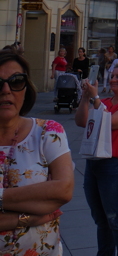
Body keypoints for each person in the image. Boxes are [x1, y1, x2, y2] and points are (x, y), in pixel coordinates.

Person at [0, 50, 74, 255]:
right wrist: (27, 218)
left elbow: (63, 190)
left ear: (26, 88)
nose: (6, 89)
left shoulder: (47, 132)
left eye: (16, 81)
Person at [76, 60, 118, 256]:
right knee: (101, 220)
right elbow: (81, 121)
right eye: (112, 76)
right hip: (95, 163)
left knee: (117, 218)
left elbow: (112, 122)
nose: (113, 79)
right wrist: (85, 97)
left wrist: (95, 97)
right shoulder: (105, 103)